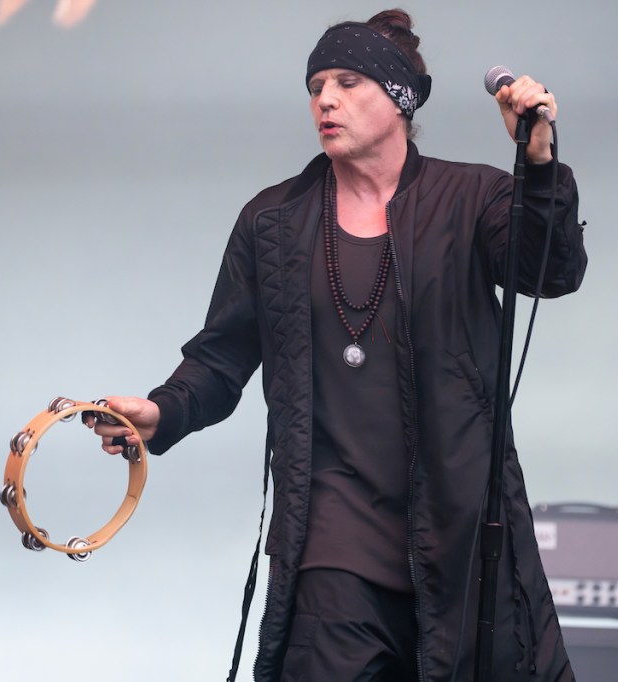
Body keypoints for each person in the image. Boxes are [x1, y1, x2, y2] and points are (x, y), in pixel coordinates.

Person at [89, 9, 586, 681]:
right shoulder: (273, 222)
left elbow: (550, 272)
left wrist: (538, 163)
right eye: (316, 85)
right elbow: (221, 357)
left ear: (401, 98)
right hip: (332, 541)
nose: (325, 99)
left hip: (460, 531)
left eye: (348, 82)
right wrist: (162, 411)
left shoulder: (471, 198)